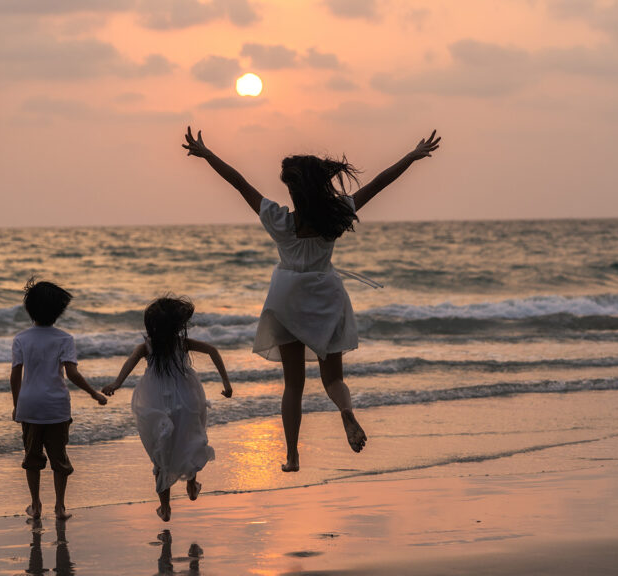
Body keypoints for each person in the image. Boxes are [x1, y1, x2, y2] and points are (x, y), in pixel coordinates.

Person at [182, 126, 441, 472]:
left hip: (287, 299)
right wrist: (410, 157)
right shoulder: (336, 214)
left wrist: (208, 154)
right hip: (325, 297)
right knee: (333, 379)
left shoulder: (279, 221)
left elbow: (238, 182)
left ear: (293, 189)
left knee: (294, 385)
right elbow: (379, 184)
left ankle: (292, 456)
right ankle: (346, 413)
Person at [102, 297, 233, 522]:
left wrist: (116, 384)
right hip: (189, 398)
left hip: (158, 403)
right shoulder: (182, 343)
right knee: (191, 439)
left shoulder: (147, 346)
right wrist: (227, 384)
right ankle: (192, 485)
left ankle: (165, 508)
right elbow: (213, 351)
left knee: (161, 453)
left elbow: (129, 363)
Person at [11, 280, 108, 520]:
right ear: (59, 311)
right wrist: (93, 393)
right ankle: (60, 507)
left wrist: (16, 405)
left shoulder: (21, 339)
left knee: (32, 459)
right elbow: (72, 373)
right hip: (56, 407)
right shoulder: (64, 338)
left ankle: (35, 505)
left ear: (29, 309)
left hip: (30, 406)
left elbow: (15, 375)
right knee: (59, 459)